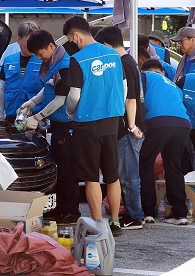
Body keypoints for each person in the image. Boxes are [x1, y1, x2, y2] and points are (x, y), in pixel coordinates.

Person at [62, 16, 125, 237]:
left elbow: (74, 95)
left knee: (91, 177)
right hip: (112, 120)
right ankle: (115, 222)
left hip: (87, 122)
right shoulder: (114, 55)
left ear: (76, 35)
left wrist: (69, 111)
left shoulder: (78, 59)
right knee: (112, 175)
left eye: (71, 38)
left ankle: (99, 223)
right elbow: (123, 87)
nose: (73, 42)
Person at [20, 29, 82, 224]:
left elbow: (60, 100)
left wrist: (37, 117)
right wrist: (31, 102)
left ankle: (71, 211)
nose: (40, 58)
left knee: (67, 170)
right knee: (59, 169)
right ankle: (60, 209)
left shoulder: (64, 65)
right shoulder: (53, 63)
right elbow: (48, 88)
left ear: (51, 46)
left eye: (40, 54)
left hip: (66, 126)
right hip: (56, 125)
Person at [94, 26, 147, 230]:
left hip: (127, 128)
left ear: (107, 45)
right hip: (131, 126)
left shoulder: (122, 64)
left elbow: (130, 99)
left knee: (128, 176)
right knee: (127, 175)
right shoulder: (130, 61)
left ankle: (135, 216)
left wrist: (132, 126)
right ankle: (134, 213)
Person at [139, 69, 191, 225]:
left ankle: (147, 212)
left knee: (145, 164)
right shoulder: (172, 84)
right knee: (173, 166)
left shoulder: (143, 76)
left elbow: (136, 100)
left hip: (158, 122)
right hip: (183, 124)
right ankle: (180, 214)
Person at [0, 21, 42, 123]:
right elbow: (2, 89)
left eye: (35, 41)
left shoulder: (42, 60)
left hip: (35, 118)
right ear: (18, 40)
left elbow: (47, 90)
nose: (32, 45)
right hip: (11, 116)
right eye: (28, 41)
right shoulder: (9, 61)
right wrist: (0, 115)